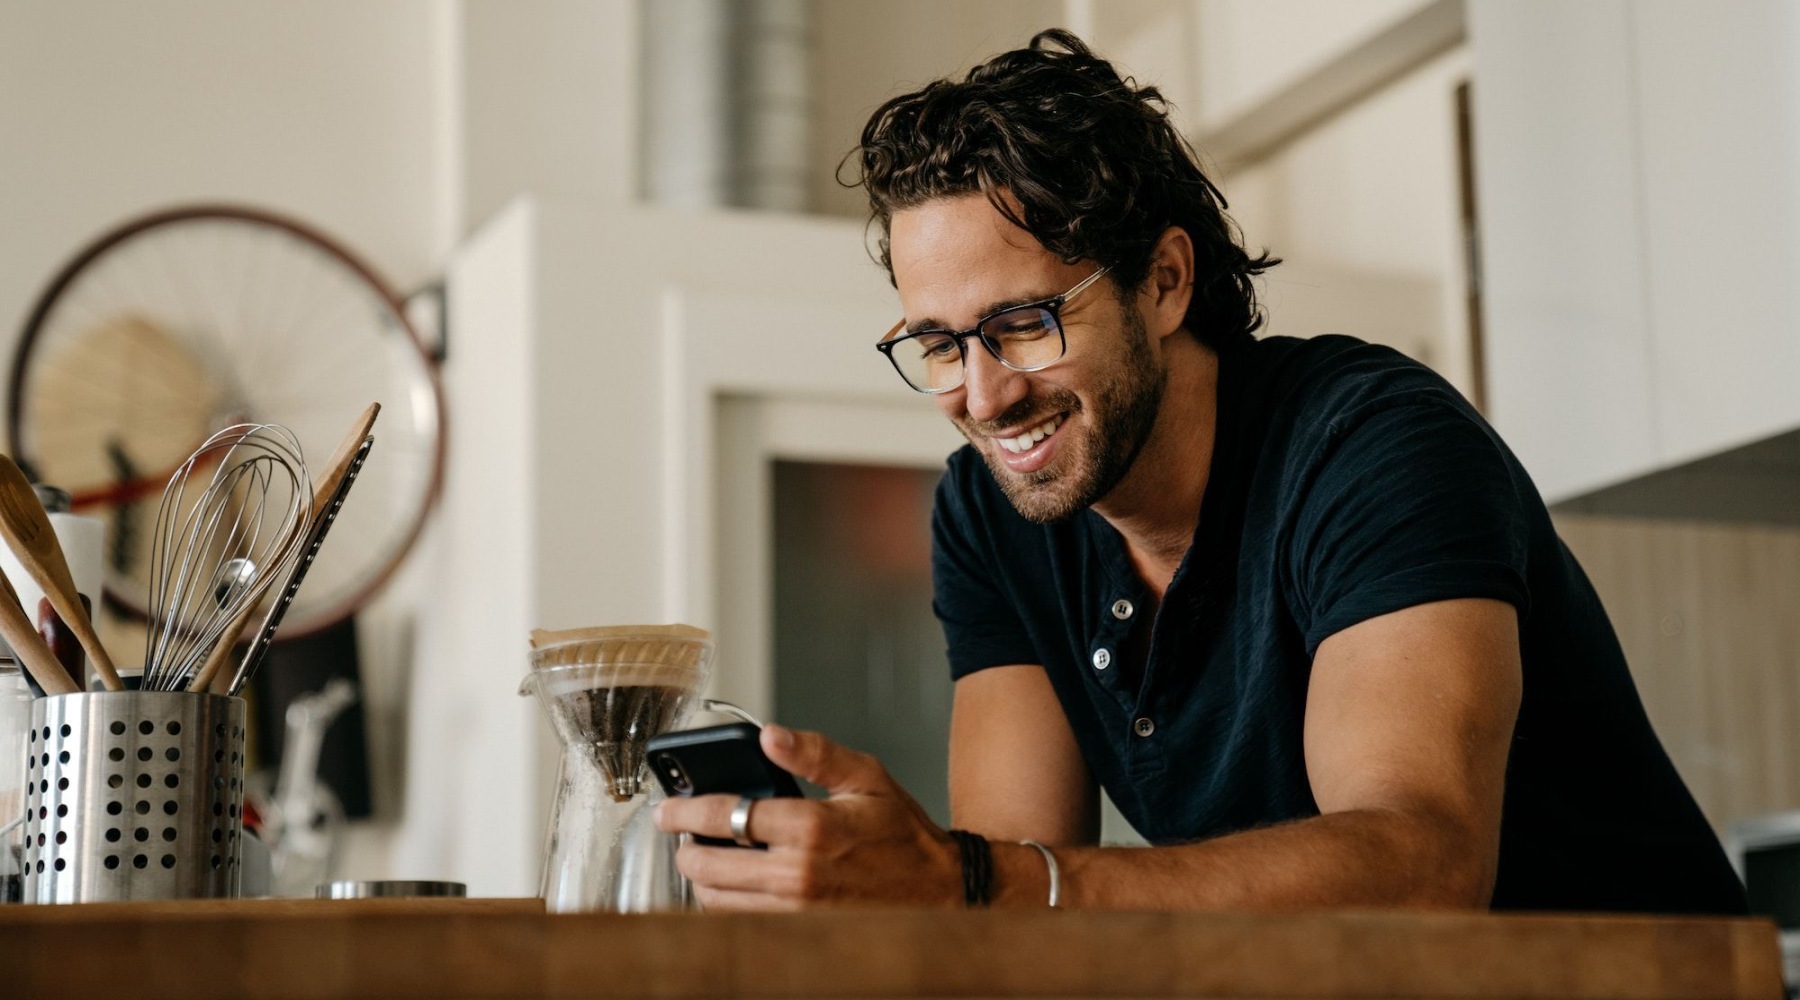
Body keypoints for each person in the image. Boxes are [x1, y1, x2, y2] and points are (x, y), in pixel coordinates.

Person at [656, 29, 1748, 914]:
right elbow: (1007, 901)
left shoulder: (1374, 445)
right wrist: (896, 895)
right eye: (939, 344)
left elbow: (1422, 874)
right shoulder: (990, 519)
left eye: (1025, 324)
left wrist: (966, 884)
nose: (983, 397)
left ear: (1167, 281)